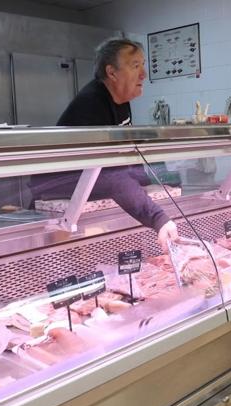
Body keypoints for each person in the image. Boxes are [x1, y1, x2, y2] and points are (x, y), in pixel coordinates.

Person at [33, 37, 179, 250]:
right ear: (112, 73)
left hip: (91, 179)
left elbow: (126, 155)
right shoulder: (91, 104)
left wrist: (153, 179)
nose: (144, 74)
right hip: (57, 185)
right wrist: (159, 218)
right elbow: (111, 176)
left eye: (143, 65)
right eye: (135, 66)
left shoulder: (120, 99)